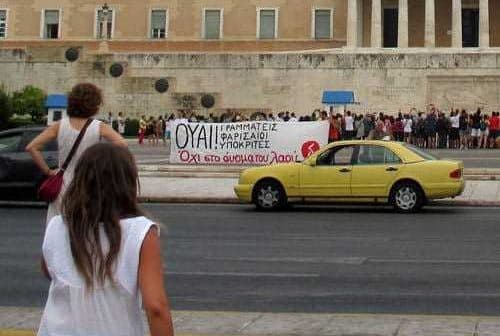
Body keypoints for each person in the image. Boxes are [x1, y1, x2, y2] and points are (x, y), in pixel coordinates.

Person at [38, 143, 174, 336]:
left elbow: (49, 269)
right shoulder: (141, 231)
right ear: (128, 182)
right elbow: (156, 308)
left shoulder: (57, 225)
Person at [26, 83, 126, 223]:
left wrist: (48, 171)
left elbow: (32, 147)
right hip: (89, 184)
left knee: (60, 230)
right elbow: (122, 144)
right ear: (95, 104)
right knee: (86, 230)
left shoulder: (60, 125)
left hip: (63, 185)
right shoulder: (99, 126)